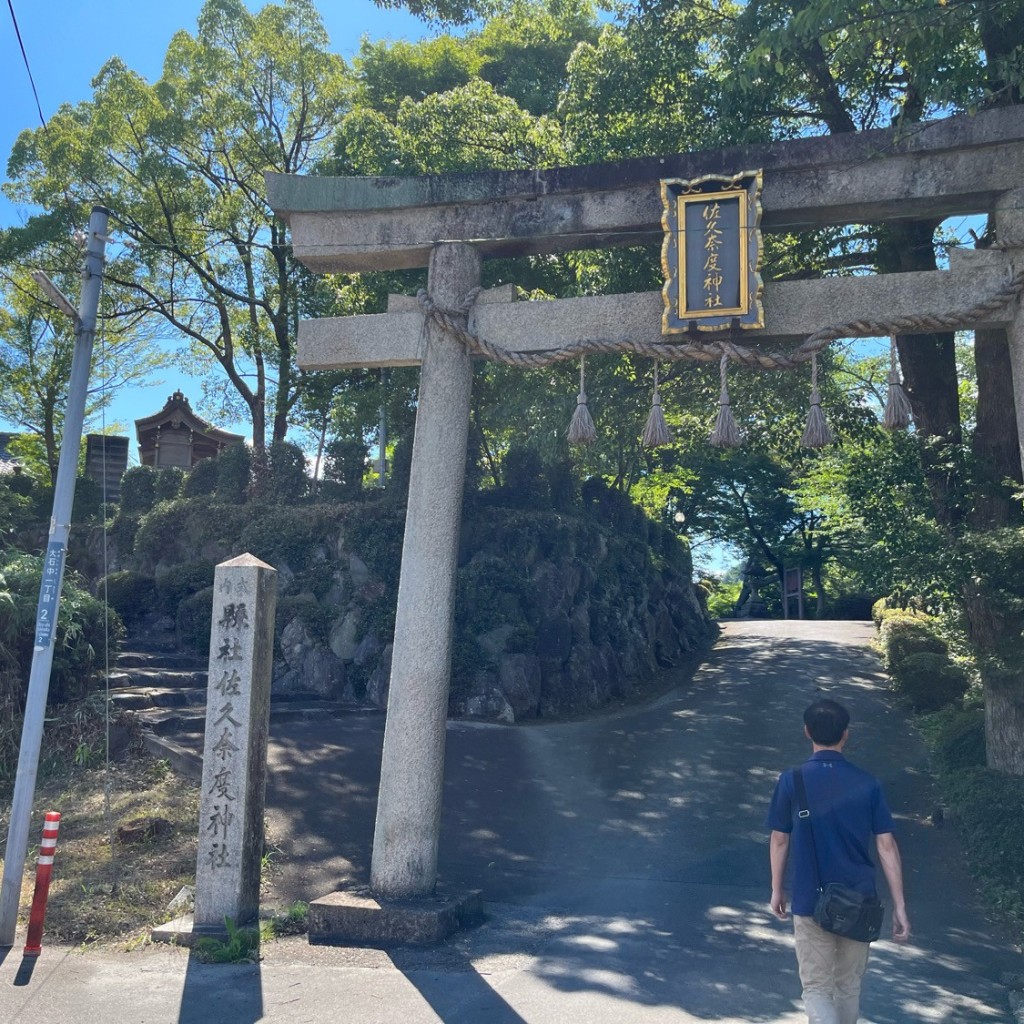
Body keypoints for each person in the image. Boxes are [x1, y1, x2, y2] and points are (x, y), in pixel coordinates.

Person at [767, 698, 911, 1024]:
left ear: (807, 732)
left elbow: (779, 838)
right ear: (846, 734)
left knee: (816, 988)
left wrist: (777, 889)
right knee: (848, 987)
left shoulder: (793, 780)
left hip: (809, 899)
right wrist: (899, 905)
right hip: (860, 901)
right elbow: (886, 846)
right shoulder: (868, 783)